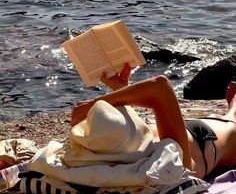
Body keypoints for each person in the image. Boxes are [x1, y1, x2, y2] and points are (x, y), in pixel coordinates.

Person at [71, 64, 236, 180]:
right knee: (230, 123)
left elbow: (128, 138)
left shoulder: (118, 154)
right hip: (200, 145)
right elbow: (161, 87)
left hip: (176, 137)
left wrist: (121, 90)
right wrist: (98, 102)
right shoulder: (171, 164)